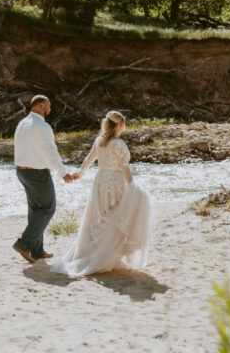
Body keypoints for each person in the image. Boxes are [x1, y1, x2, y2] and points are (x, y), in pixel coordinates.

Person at [51, 110, 154, 276]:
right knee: (115, 216)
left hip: (100, 181)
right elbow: (124, 167)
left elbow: (88, 160)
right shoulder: (118, 144)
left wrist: (79, 173)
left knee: (100, 216)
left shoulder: (100, 141)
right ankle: (108, 256)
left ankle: (101, 253)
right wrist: (132, 185)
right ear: (120, 125)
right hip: (115, 181)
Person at [13, 94, 75, 263]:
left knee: (35, 210)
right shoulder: (42, 126)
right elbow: (51, 151)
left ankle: (37, 250)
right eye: (48, 106)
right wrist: (63, 172)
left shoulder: (22, 124)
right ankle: (23, 243)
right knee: (48, 208)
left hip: (22, 172)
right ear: (40, 106)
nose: (50, 109)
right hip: (37, 173)